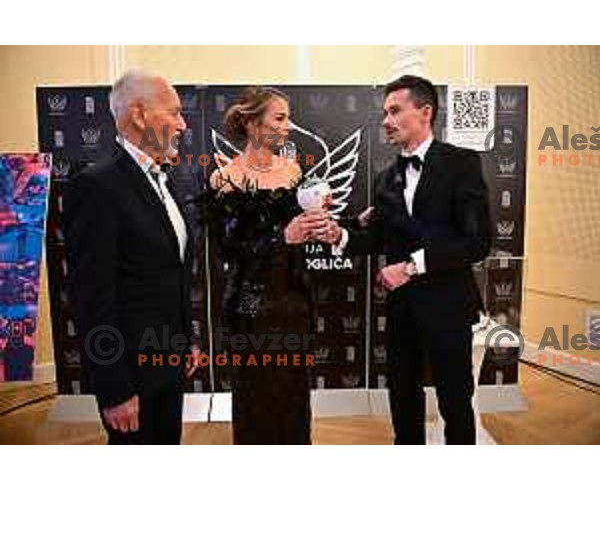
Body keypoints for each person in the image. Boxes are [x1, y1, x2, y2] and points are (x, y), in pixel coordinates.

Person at [326, 75, 492, 444]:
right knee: (402, 398)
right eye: (385, 112)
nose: (386, 120)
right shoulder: (385, 179)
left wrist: (411, 266)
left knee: (455, 402)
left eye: (395, 110)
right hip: (403, 310)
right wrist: (341, 235)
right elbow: (379, 237)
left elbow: (477, 241)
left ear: (425, 112)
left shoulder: (461, 163)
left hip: (449, 306)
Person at [64, 70, 200, 445]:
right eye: (173, 112)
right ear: (139, 115)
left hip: (168, 365)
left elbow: (170, 273)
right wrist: (114, 390)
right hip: (131, 379)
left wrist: (185, 338)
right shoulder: (97, 186)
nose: (183, 124)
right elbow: (92, 299)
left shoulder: (166, 180)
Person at [207, 86, 332, 444]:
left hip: (293, 300)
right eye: (279, 118)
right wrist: (283, 237)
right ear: (251, 122)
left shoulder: (293, 171)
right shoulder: (224, 179)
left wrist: (317, 221)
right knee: (255, 398)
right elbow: (229, 251)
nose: (288, 126)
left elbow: (298, 235)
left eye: (288, 118)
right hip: (250, 306)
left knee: (293, 400)